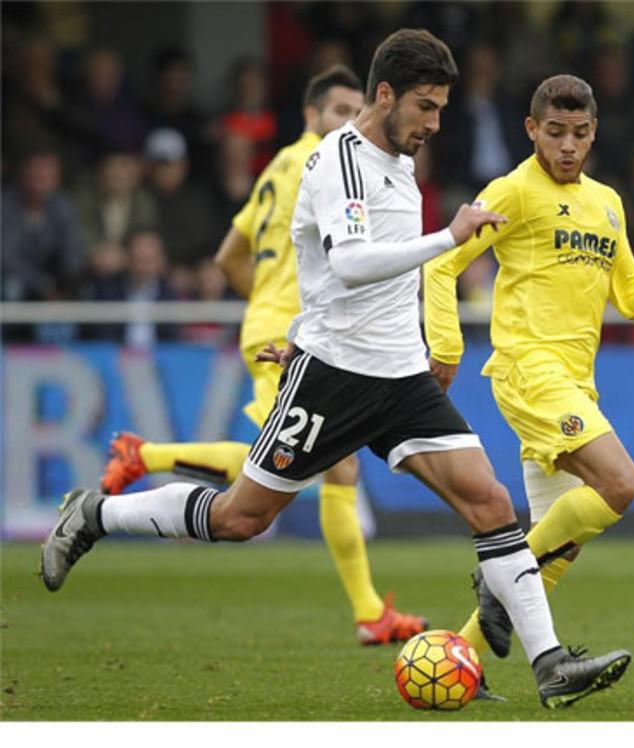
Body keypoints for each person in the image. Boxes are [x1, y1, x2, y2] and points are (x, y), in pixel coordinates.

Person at [41, 29, 631, 710]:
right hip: (334, 374)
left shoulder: (401, 162)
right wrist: (448, 236)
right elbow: (349, 265)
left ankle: (550, 665)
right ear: (385, 95)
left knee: (491, 504)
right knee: (242, 518)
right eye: (425, 108)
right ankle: (96, 513)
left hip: (401, 375)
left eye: (441, 108)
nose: (434, 124)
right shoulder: (337, 163)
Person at [96, 65, 428, 647]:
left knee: (315, 465)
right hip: (302, 332)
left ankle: (370, 611)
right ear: (310, 115)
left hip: (274, 324)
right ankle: (143, 454)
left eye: (356, 112)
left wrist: (264, 306)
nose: (350, 123)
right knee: (299, 467)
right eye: (338, 112)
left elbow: (229, 255)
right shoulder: (334, 163)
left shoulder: (276, 166)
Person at [422, 74, 634, 666]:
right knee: (621, 483)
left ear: (593, 134)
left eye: (579, 134)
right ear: (532, 130)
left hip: (576, 383)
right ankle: (500, 580)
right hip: (529, 371)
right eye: (554, 133)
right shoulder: (513, 192)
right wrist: (447, 347)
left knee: (565, 542)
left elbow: (630, 295)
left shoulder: (606, 202)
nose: (567, 146)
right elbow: (441, 264)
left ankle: (465, 660)